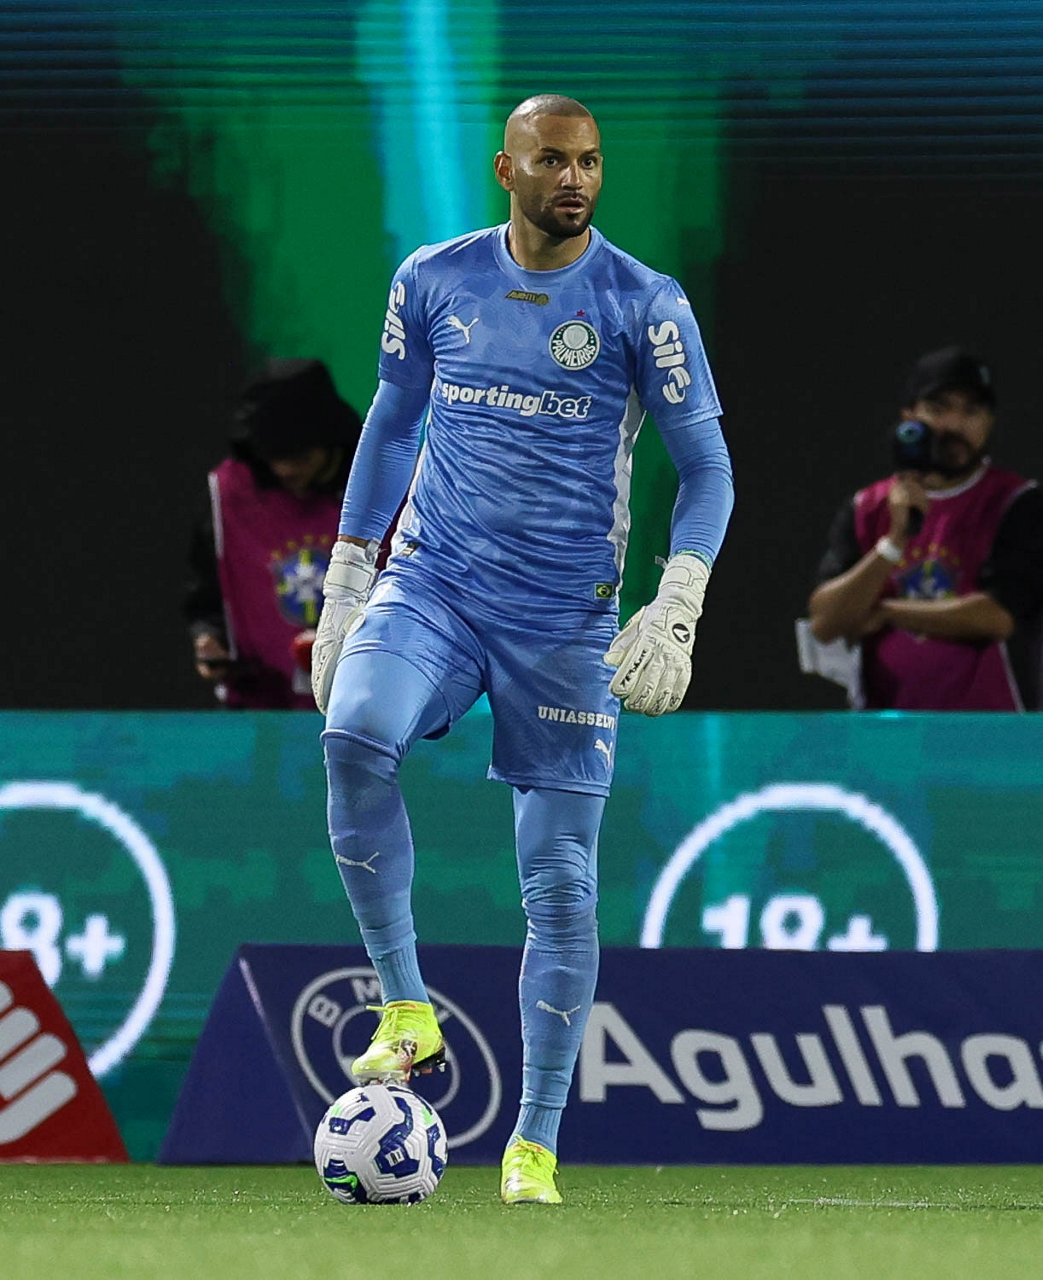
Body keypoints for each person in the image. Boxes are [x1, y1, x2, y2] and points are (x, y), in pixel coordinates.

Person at [311, 94, 734, 1204]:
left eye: (588, 160)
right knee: (353, 734)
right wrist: (347, 575)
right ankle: (404, 1005)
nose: (574, 178)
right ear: (507, 169)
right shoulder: (433, 278)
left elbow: (707, 468)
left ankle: (532, 1144)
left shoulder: (644, 302)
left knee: (559, 882)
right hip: (435, 583)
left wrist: (677, 600)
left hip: (564, 619)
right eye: (551, 160)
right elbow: (391, 421)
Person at [808, 346, 1043, 709]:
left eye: (971, 411)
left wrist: (885, 611)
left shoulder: (1017, 501)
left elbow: (997, 617)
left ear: (989, 421)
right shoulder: (867, 507)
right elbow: (825, 621)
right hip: (887, 728)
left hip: (994, 730)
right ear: (909, 418)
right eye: (939, 408)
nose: (955, 425)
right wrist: (892, 543)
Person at [184, 358, 362, 708]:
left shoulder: (389, 488)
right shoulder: (227, 495)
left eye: (298, 455)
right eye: (273, 455)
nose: (284, 469)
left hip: (367, 709)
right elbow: (205, 598)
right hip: (260, 715)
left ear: (330, 440)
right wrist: (209, 636)